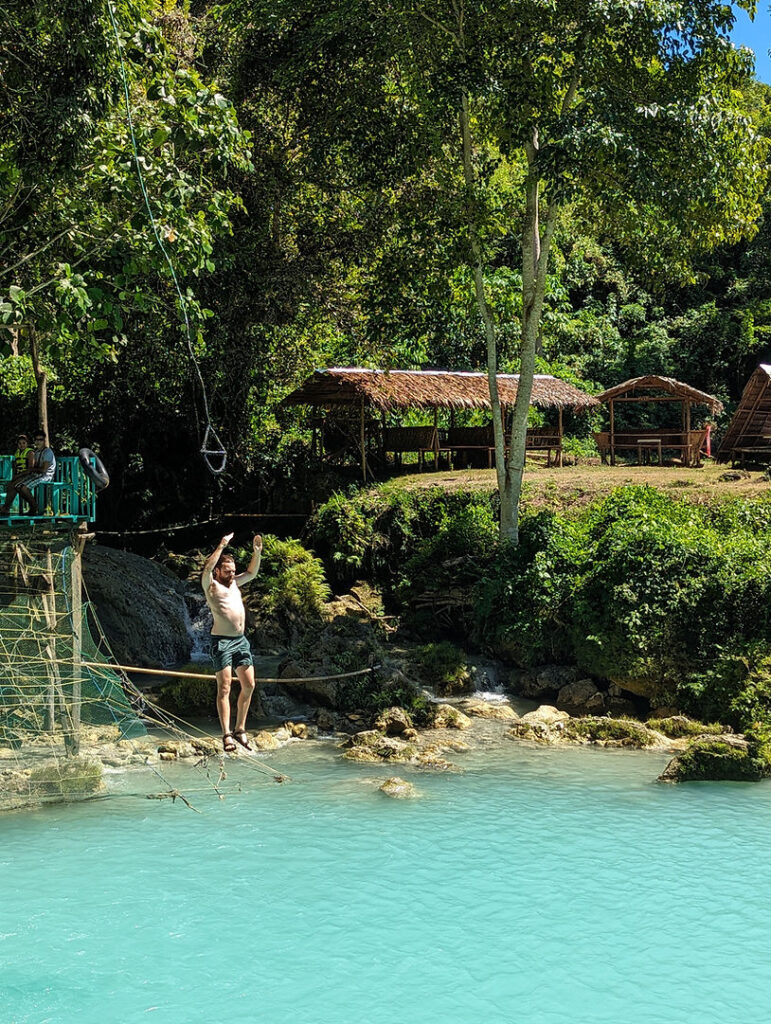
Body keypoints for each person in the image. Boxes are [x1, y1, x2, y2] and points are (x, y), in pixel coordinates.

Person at [202, 532, 263, 752]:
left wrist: (257, 553)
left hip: (241, 641)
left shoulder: (236, 583)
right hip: (222, 642)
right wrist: (222, 544)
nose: (232, 574)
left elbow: (252, 572)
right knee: (225, 688)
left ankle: (240, 729)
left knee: (249, 685)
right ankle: (226, 734)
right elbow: (207, 568)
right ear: (218, 571)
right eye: (227, 571)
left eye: (233, 571)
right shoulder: (211, 586)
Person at [1, 431, 56, 516]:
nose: (38, 442)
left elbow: (44, 470)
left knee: (24, 488)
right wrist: (31, 470)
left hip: (46, 476)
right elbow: (35, 468)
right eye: (36, 440)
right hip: (37, 474)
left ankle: (34, 507)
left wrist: (30, 470)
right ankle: (28, 506)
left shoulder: (47, 452)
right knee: (17, 486)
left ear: (44, 440)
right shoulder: (37, 452)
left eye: (40, 440)